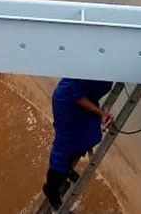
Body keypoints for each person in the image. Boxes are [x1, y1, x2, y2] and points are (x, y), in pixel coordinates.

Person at [43, 78, 114, 211]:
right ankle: (50, 189)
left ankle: (66, 170)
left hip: (85, 99)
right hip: (69, 103)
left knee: (86, 136)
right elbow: (77, 96)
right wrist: (101, 113)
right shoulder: (87, 65)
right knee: (64, 148)